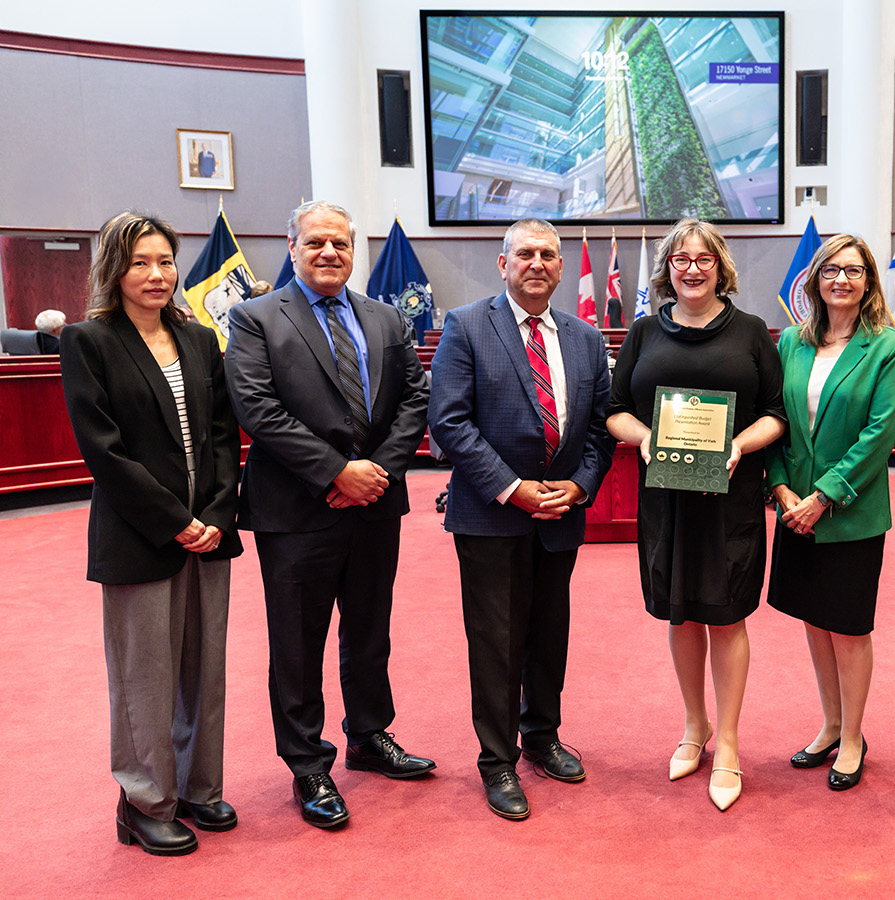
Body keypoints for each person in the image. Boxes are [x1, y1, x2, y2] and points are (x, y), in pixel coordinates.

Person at [224, 200, 435, 830]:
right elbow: (257, 409)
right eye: (316, 242)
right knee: (297, 641)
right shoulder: (256, 318)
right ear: (291, 247)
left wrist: (378, 474)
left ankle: (370, 737)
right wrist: (335, 471)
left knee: (370, 631)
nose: (329, 253)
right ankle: (308, 764)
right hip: (295, 509)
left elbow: (414, 399)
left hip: (374, 504)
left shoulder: (386, 317)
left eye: (341, 244)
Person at [60, 212, 243, 856]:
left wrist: (218, 515)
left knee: (204, 668)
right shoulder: (89, 340)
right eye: (140, 262)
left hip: (209, 533)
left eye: (165, 261)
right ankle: (144, 801)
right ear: (115, 269)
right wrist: (176, 522)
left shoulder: (199, 340)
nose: (156, 274)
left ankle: (198, 786)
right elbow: (103, 451)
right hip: (141, 535)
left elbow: (223, 436)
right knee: (145, 675)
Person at [428, 218, 615, 820]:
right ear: (503, 263)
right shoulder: (466, 325)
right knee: (495, 640)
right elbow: (449, 422)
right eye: (526, 254)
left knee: (547, 634)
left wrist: (580, 485)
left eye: (548, 255)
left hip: (559, 515)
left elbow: (599, 427)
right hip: (490, 514)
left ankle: (541, 736)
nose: (538, 263)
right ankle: (497, 759)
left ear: (561, 268)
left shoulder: (586, 338)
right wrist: (512, 489)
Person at [607, 218, 786, 811]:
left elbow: (775, 414)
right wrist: (648, 438)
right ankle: (694, 726)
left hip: (730, 497)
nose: (691, 267)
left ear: (720, 266)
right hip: (667, 496)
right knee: (680, 615)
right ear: (667, 268)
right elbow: (615, 412)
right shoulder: (641, 333)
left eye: (703, 258)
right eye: (680, 259)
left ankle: (729, 742)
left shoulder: (753, 332)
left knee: (726, 617)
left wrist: (739, 444)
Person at [765, 234, 895, 792]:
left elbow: (880, 434)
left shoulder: (887, 346)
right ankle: (829, 724)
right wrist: (780, 490)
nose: (841, 280)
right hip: (793, 510)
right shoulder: (791, 344)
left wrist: (823, 496)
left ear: (868, 280)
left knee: (847, 628)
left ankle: (854, 737)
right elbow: (775, 419)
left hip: (847, 512)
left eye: (853, 271)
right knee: (814, 622)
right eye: (831, 271)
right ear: (814, 280)